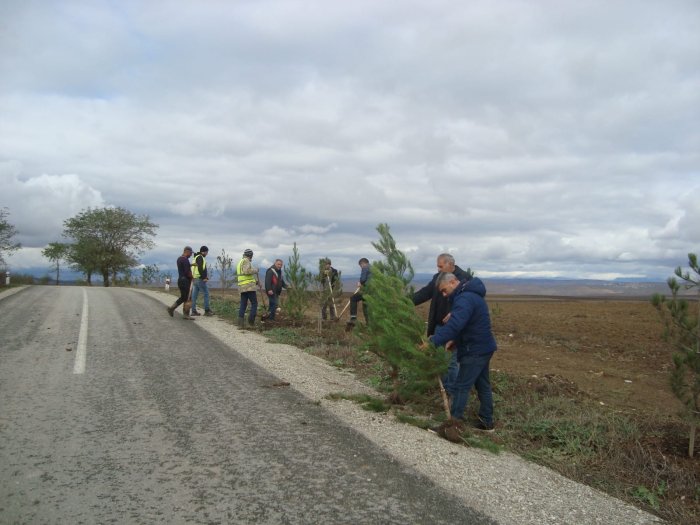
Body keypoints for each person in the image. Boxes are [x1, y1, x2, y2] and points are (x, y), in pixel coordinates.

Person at [429, 272, 497, 431]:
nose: (444, 295)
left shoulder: (464, 298)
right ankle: (487, 422)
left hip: (474, 349)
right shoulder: (469, 295)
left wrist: (433, 341)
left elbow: (455, 325)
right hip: (483, 347)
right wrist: (455, 340)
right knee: (483, 385)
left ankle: (453, 425)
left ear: (453, 282)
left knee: (461, 386)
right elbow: (468, 323)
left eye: (445, 290)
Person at [413, 253, 472, 396]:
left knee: (450, 362)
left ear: (450, 264)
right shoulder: (437, 278)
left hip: (454, 328)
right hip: (438, 326)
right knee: (440, 360)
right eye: (437, 266)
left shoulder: (464, 278)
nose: (438, 269)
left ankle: (452, 393)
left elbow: (471, 301)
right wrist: (404, 302)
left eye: (440, 266)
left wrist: (455, 312)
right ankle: (445, 390)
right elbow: (424, 294)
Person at [167, 246, 195, 320]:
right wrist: (192, 277)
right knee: (187, 297)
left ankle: (179, 311)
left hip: (180, 280)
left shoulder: (179, 259)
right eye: (190, 253)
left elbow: (183, 267)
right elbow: (186, 271)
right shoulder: (185, 260)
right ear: (187, 251)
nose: (191, 255)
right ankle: (175, 310)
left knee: (184, 297)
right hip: (185, 281)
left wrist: (191, 265)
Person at [236, 248, 258, 328]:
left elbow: (243, 275)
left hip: (242, 286)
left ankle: (240, 323)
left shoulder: (240, 262)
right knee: (254, 303)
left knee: (243, 304)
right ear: (250, 255)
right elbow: (246, 271)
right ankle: (251, 322)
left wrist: (255, 281)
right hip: (248, 286)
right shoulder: (246, 261)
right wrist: (256, 270)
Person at [190, 245, 214, 317]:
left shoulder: (195, 257)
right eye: (207, 252)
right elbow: (200, 268)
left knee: (194, 296)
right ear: (204, 252)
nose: (207, 254)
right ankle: (207, 310)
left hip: (194, 279)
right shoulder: (200, 257)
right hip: (199, 279)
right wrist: (204, 277)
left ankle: (193, 311)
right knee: (206, 294)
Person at [348, 258, 370, 326]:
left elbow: (363, 279)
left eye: (360, 265)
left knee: (353, 298)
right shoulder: (374, 269)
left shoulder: (365, 267)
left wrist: (360, 283)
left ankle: (353, 318)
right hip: (373, 292)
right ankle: (368, 324)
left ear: (363, 263)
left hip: (366, 290)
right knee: (366, 306)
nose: (361, 267)